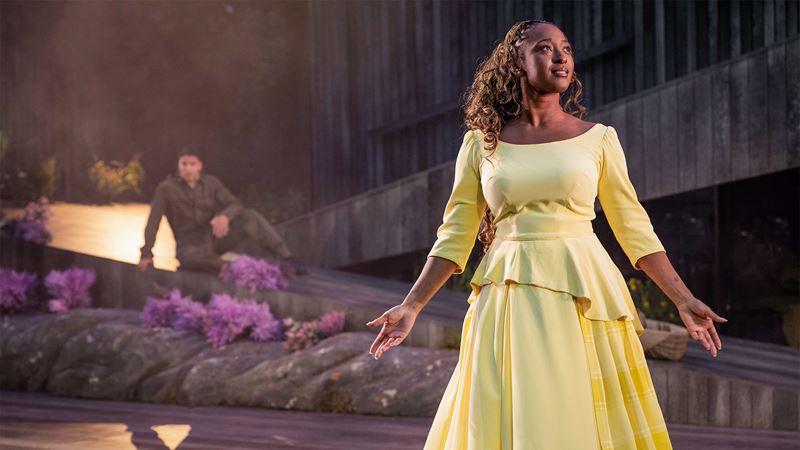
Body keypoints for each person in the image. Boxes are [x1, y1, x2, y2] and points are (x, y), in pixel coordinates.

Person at [366, 20, 727, 449]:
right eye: (544, 48)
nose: (560, 56)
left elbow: (633, 227)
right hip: (508, 296)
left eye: (566, 48)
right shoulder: (480, 145)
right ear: (516, 63)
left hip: (584, 295)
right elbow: (456, 233)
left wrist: (683, 299)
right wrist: (412, 306)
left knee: (580, 416)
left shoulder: (599, 140)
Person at [137, 147, 309, 277]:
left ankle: (287, 259)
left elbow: (236, 204)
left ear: (199, 166)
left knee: (250, 216)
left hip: (213, 238)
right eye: (184, 164)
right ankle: (232, 268)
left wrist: (224, 216)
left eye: (192, 164)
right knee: (189, 258)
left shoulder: (211, 183)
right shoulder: (166, 189)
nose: (188, 169)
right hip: (189, 245)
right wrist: (146, 254)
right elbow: (153, 221)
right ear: (178, 165)